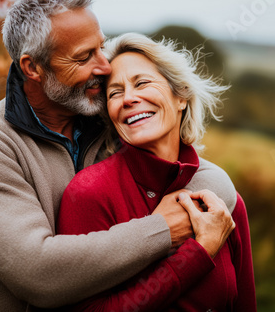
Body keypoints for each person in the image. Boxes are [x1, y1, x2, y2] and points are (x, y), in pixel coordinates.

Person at [0, 0, 237, 311]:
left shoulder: (104, 113)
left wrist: (207, 199)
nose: (105, 67)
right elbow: (39, 275)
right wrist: (164, 229)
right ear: (33, 68)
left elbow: (196, 172)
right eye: (84, 57)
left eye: (101, 47)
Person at [57, 33, 256, 311]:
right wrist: (197, 254)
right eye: (115, 93)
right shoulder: (89, 193)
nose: (128, 98)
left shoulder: (221, 199)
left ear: (181, 97)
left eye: (142, 83)